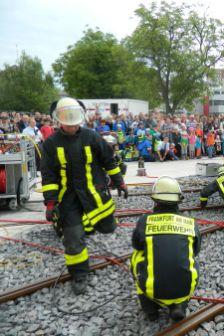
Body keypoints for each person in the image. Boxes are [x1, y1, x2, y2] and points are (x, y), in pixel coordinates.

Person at [41, 97, 128, 295]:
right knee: (72, 239)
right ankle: (80, 273)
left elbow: (109, 160)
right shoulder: (50, 144)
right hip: (68, 199)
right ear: (58, 119)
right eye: (66, 119)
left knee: (107, 227)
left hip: (94, 194)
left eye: (74, 119)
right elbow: (49, 176)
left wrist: (120, 182)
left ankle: (87, 231)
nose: (71, 125)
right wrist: (51, 203)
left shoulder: (92, 137)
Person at [131, 176, 200, 321]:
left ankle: (151, 310)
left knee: (136, 256)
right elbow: (196, 249)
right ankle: (179, 305)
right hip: (186, 289)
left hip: (152, 290)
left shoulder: (145, 221)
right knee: (191, 257)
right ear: (178, 200)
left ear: (155, 200)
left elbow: (136, 245)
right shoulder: (190, 223)